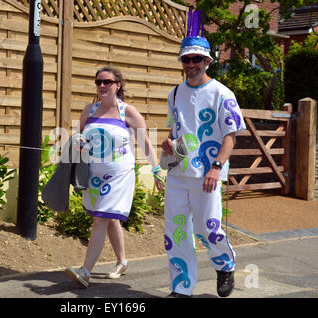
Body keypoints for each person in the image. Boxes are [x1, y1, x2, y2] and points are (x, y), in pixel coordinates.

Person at [161, 9, 246, 298]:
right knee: (177, 232)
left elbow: (230, 137)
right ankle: (181, 288)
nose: (191, 64)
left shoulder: (223, 93)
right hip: (177, 173)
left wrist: (216, 168)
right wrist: (168, 143)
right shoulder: (174, 94)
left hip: (207, 174)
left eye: (196, 58)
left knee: (207, 231)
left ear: (208, 60)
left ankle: (225, 263)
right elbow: (177, 131)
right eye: (186, 59)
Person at [65, 66, 164, 288]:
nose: (101, 86)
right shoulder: (89, 110)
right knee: (108, 218)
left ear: (117, 85)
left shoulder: (128, 112)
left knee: (101, 217)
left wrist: (157, 170)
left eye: (107, 82)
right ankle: (122, 261)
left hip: (120, 174)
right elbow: (80, 137)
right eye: (98, 82)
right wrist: (79, 142)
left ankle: (85, 272)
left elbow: (146, 144)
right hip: (94, 174)